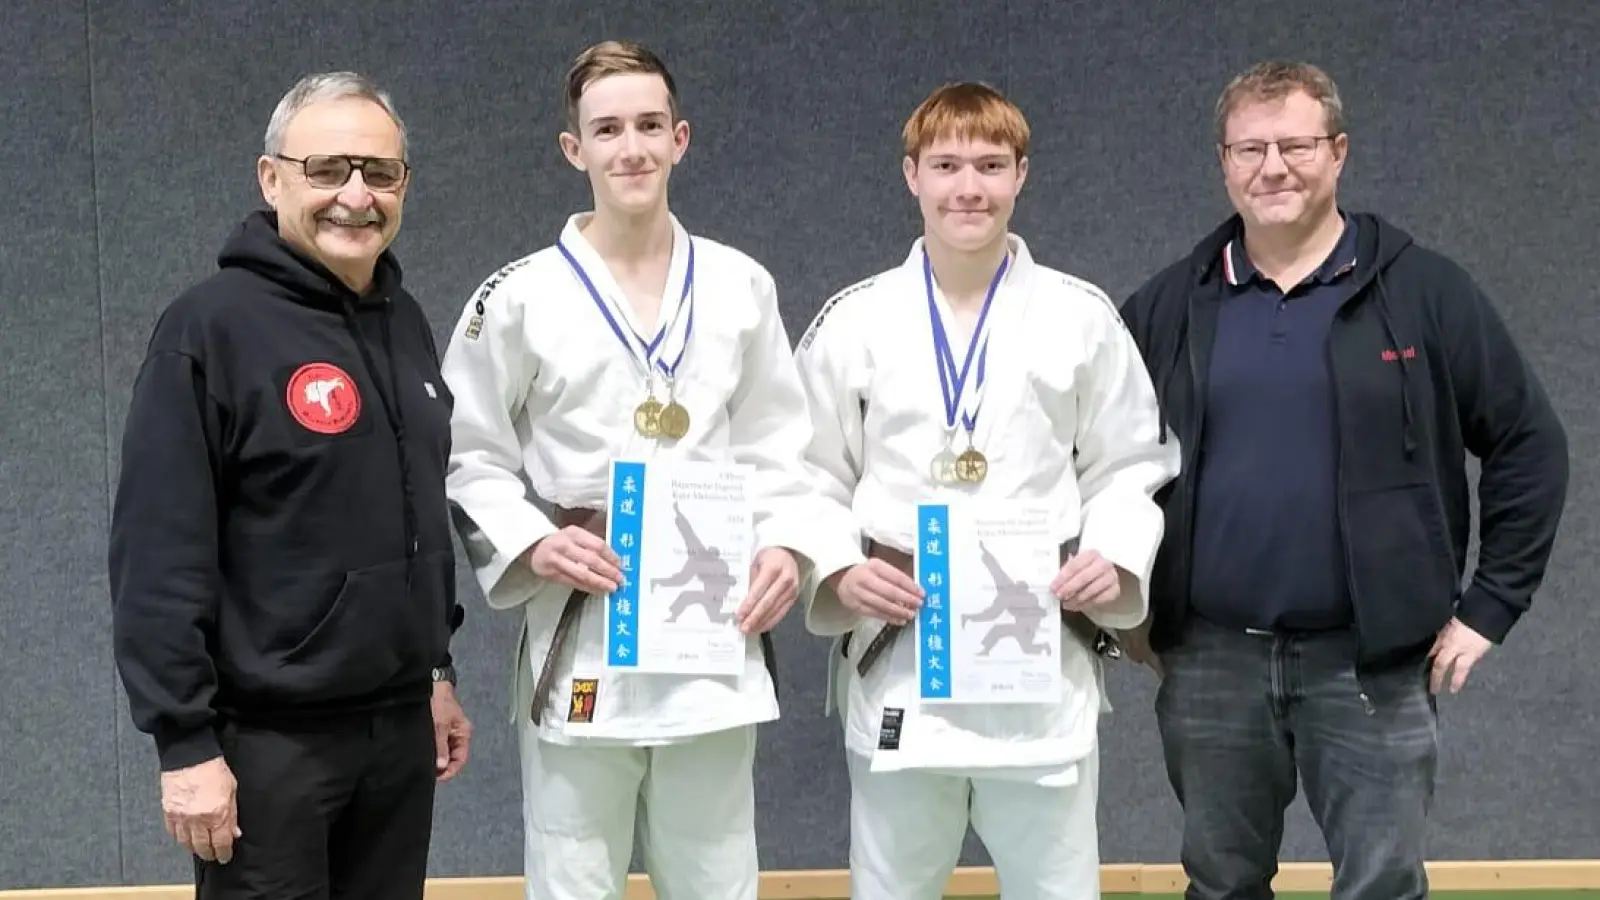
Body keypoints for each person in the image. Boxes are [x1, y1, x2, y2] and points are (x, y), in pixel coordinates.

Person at [1118, 60, 1570, 899]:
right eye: (1251, 149)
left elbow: (1528, 444)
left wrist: (1492, 604)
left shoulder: (1424, 292)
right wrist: (1126, 602)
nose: (1273, 168)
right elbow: (1098, 458)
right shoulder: (1170, 305)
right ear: (1224, 163)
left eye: (1296, 145)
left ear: (1338, 152)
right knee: (1220, 884)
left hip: (1372, 663)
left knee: (1380, 886)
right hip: (1212, 660)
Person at [439, 40, 821, 900]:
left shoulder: (740, 284)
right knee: (573, 873)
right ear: (573, 149)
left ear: (680, 139)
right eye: (607, 130)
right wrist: (533, 543)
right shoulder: (519, 295)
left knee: (718, 873)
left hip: (709, 621)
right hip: (587, 612)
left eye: (650, 125)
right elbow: (466, 452)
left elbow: (778, 445)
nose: (631, 147)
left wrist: (783, 547)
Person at [791, 82, 1182, 900]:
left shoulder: (1080, 317)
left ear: (1021, 175)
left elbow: (1129, 463)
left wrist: (1112, 555)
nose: (968, 187)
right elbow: (805, 472)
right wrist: (838, 569)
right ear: (911, 175)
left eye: (990, 165)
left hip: (1037, 656)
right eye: (946, 166)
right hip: (902, 653)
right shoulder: (855, 320)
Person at [108, 71, 471, 900]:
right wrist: (184, 743)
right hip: (268, 747)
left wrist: (435, 673)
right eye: (328, 170)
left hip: (397, 735)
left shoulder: (405, 322)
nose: (357, 196)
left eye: (380, 173)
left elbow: (415, 515)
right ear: (271, 179)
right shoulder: (209, 330)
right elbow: (159, 553)